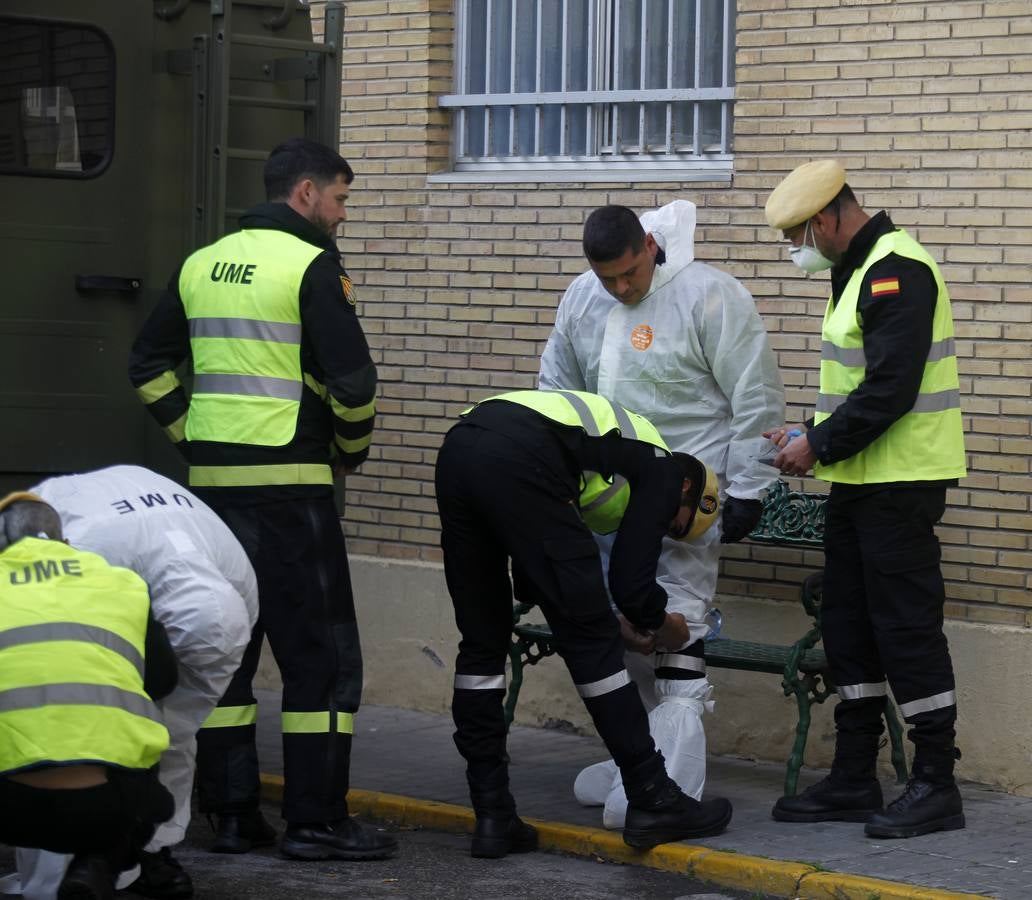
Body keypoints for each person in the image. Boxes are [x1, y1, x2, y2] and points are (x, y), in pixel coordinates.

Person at [129, 137, 393, 861]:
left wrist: (195, 440)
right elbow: (355, 385)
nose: (341, 216)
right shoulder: (311, 265)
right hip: (293, 494)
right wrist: (348, 453)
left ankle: (234, 816)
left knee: (226, 657)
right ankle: (316, 822)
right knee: (322, 662)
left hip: (211, 499)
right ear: (305, 194)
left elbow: (147, 363)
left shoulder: (201, 263)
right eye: (339, 199)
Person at [539, 200, 784, 827]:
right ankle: (640, 763)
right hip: (606, 501)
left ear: (650, 245)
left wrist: (750, 488)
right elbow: (557, 392)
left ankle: (671, 788)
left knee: (676, 627)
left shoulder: (709, 297)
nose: (622, 289)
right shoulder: (581, 301)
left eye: (630, 275)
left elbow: (754, 394)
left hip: (683, 506)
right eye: (608, 279)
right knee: (619, 633)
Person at [435, 388, 732, 856]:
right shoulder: (662, 466)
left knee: (481, 646)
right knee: (592, 650)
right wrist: (663, 626)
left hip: (460, 450)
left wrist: (603, 618)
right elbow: (632, 586)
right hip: (518, 457)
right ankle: (654, 799)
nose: (665, 533)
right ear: (688, 491)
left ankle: (493, 815)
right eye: (675, 527)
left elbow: (534, 579)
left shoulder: (598, 452)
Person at [762, 159, 967, 838]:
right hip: (859, 482)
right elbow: (859, 389)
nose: (797, 251)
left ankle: (936, 783)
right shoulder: (857, 268)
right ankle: (856, 776)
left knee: (906, 628)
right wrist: (811, 433)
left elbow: (890, 390)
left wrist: (817, 446)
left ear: (825, 220)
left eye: (797, 237)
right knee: (850, 626)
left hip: (899, 486)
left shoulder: (894, 268)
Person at [7, 466, 259, 900]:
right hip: (106, 614)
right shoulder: (82, 549)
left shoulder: (238, 590)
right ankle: (91, 866)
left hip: (183, 610)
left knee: (167, 739)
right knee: (93, 737)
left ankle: (146, 859)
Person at [0, 492, 176, 900]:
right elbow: (164, 680)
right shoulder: (123, 582)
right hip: (103, 809)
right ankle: (94, 866)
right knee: (153, 799)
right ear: (63, 541)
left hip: (7, 807)